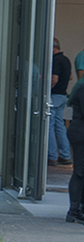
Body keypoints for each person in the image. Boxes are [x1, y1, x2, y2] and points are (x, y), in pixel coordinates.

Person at [50, 38, 73, 167]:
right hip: (63, 95)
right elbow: (70, 76)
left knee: (50, 125)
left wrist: (48, 89)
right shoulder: (66, 59)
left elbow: (54, 78)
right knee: (60, 125)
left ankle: (51, 156)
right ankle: (65, 155)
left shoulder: (55, 60)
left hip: (54, 95)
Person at [67, 79, 84, 224]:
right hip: (81, 134)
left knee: (81, 172)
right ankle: (74, 210)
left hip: (79, 132)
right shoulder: (83, 88)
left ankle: (77, 209)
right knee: (80, 172)